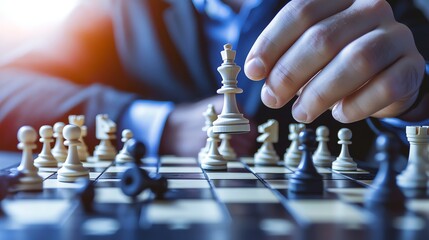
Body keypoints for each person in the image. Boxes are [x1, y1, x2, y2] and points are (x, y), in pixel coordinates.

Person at [0, 0, 428, 163]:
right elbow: (8, 86)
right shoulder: (123, 11)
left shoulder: (367, 8)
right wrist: (158, 125)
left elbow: (411, 82)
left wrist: (413, 105)